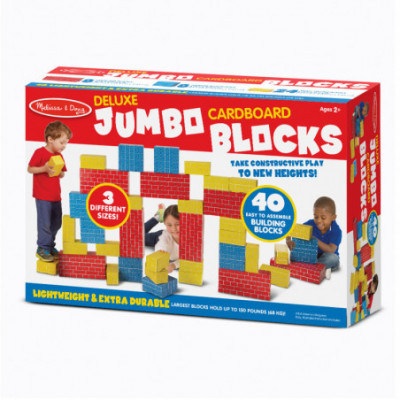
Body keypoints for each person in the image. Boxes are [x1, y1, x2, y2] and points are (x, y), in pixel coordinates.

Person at [28, 121, 72, 262]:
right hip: (42, 196)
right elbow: (30, 169)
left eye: (66, 143)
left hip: (55, 196)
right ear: (50, 139)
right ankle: (42, 248)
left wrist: (59, 172)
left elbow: (62, 174)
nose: (64, 146)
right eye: (62, 142)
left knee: (57, 222)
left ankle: (50, 246)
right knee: (45, 223)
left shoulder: (59, 156)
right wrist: (44, 169)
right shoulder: (39, 152)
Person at [287, 196, 342, 280]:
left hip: (326, 256)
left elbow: (330, 249)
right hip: (312, 254)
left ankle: (314, 269)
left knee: (333, 258)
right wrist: (288, 240)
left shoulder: (336, 231)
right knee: (293, 254)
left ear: (333, 217)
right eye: (316, 217)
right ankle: (318, 270)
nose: (319, 221)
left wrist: (314, 239)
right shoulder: (310, 224)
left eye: (323, 218)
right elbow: (292, 230)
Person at [145, 204, 179, 273]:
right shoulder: (164, 237)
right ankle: (158, 217)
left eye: (178, 224)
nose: (174, 228)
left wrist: (173, 265)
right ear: (165, 224)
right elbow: (161, 245)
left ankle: (162, 215)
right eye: (169, 225)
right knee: (135, 235)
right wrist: (159, 254)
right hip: (159, 237)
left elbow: (187, 259)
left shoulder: (190, 240)